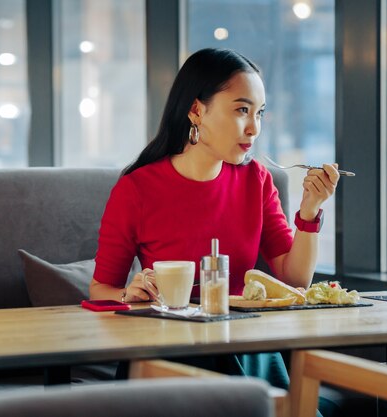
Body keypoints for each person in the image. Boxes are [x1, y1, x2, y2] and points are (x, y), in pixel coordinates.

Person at [89, 48, 339, 417]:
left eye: (260, 113)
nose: (254, 128)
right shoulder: (137, 189)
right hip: (169, 353)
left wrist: (309, 211)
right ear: (196, 110)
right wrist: (130, 293)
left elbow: (294, 278)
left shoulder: (257, 181)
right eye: (241, 110)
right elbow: (100, 290)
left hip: (245, 347)